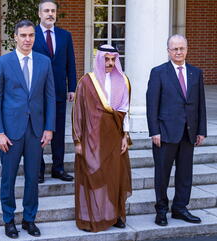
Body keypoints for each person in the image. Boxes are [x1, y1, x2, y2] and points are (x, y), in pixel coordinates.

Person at [0, 20, 56, 239]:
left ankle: (29, 219)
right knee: (8, 178)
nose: (27, 40)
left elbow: (50, 97)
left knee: (33, 178)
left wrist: (49, 128)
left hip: (36, 131)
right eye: (23, 36)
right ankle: (9, 220)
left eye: (31, 35)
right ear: (15, 37)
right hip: (10, 132)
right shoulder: (2, 63)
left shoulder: (44, 62)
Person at [146, 34, 207, 227]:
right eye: (175, 49)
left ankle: (180, 208)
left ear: (187, 49)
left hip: (189, 133)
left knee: (185, 174)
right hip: (165, 133)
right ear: (168, 51)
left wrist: (201, 130)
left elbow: (200, 104)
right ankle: (161, 210)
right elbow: (151, 104)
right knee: (162, 174)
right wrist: (154, 131)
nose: (179, 52)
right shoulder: (159, 72)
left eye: (182, 48)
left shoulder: (195, 73)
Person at [72, 44, 132, 232]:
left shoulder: (123, 80)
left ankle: (115, 215)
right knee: (93, 175)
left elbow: (125, 112)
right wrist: (77, 140)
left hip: (114, 137)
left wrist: (125, 136)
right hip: (91, 137)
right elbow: (77, 112)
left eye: (113, 59)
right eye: (106, 59)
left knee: (113, 176)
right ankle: (92, 216)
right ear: (99, 59)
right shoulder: (86, 82)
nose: (110, 63)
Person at [33, 0, 76, 183]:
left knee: (58, 131)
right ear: (39, 14)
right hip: (36, 92)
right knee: (37, 131)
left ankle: (58, 168)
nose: (50, 14)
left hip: (58, 91)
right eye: (46, 11)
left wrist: (72, 87)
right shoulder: (30, 34)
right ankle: (38, 170)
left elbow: (70, 63)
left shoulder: (65, 35)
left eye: (53, 11)